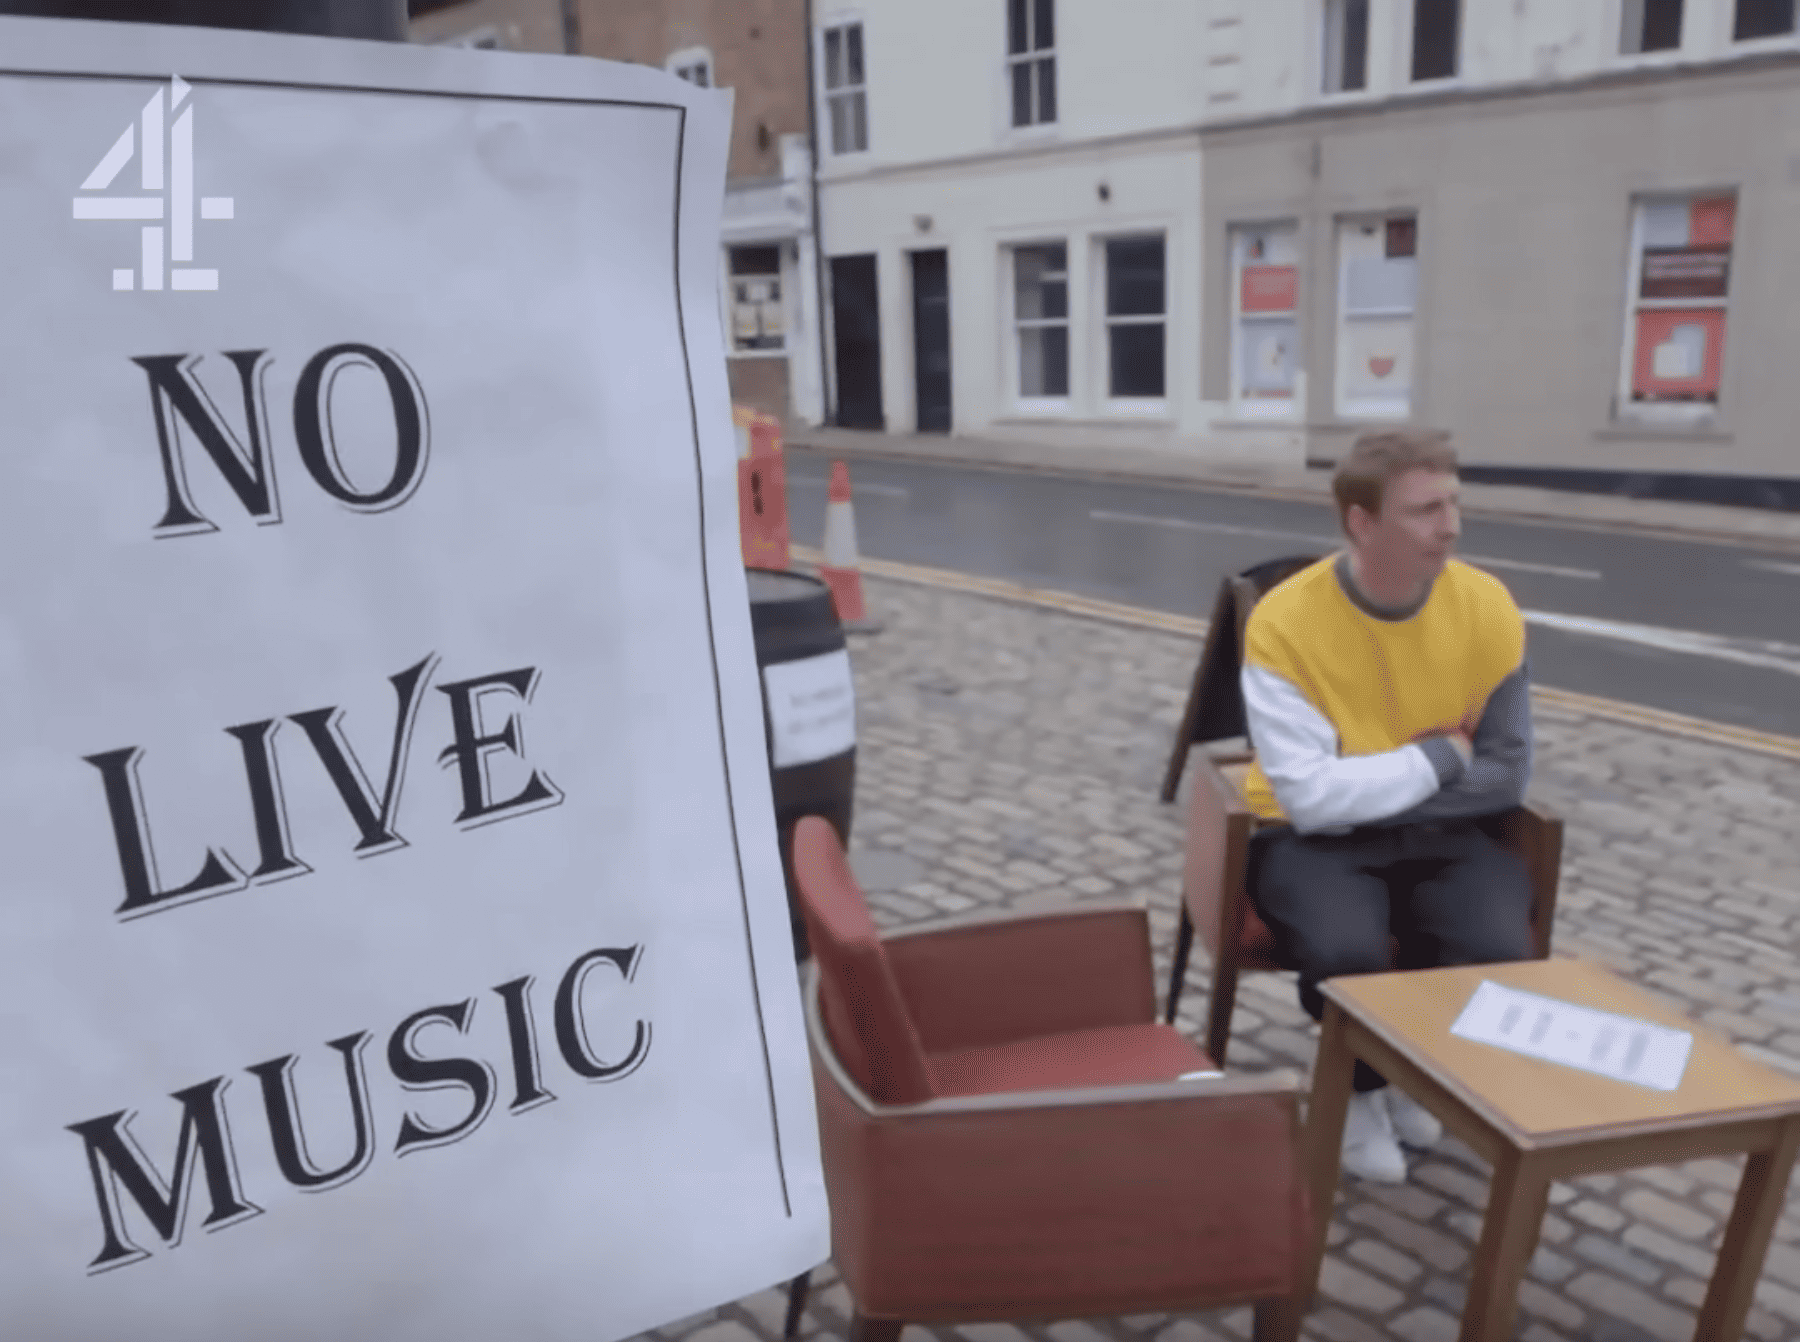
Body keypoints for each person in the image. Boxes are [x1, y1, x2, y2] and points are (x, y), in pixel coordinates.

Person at [1239, 428, 1536, 1183]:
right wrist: (1438, 758)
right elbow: (1305, 799)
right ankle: (1360, 1093)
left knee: (1499, 947)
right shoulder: (1284, 622)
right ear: (1361, 522)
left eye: (1453, 503)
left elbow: (1506, 775)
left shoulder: (1488, 607)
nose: (1452, 526)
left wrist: (1360, 791)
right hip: (1308, 843)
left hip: (1440, 831)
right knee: (1347, 954)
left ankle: (1409, 1072)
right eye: (1425, 510)